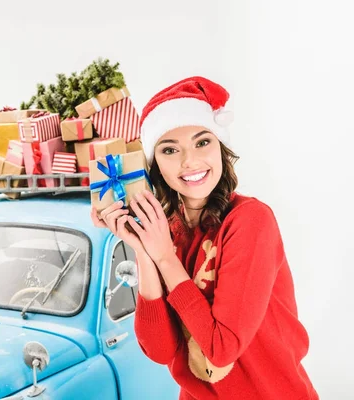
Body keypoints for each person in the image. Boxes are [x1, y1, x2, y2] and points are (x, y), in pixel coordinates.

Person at [91, 77, 318, 399]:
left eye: (202, 142)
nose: (190, 162)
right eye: (170, 150)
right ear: (155, 166)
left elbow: (221, 349)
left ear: (221, 149)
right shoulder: (166, 230)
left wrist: (166, 258)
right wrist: (143, 249)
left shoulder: (250, 220)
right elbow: (159, 350)